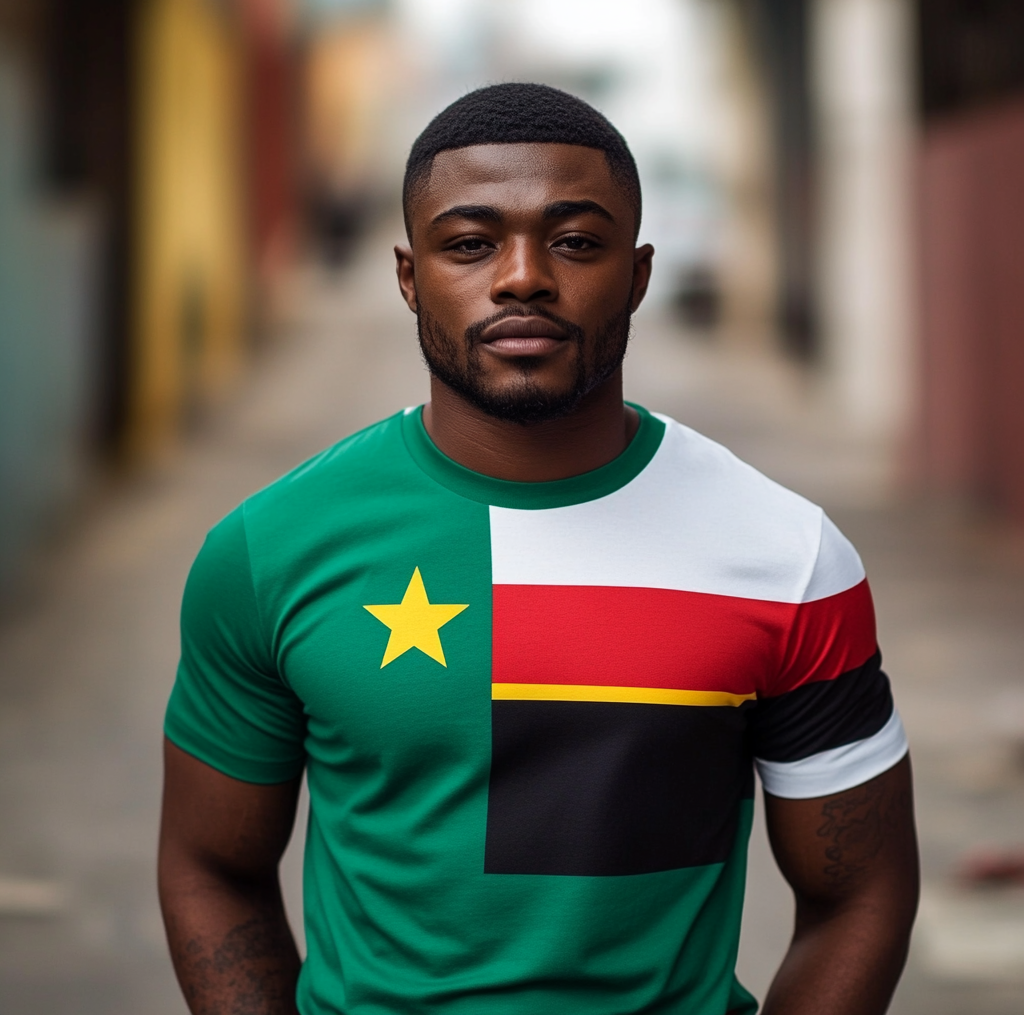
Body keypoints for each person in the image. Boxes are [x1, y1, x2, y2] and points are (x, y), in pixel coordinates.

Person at [159, 83, 919, 1015]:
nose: (523, 277)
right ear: (408, 276)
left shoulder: (789, 557)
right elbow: (210, 865)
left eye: (575, 241)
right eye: (471, 243)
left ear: (638, 276)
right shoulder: (268, 550)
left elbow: (861, 894)